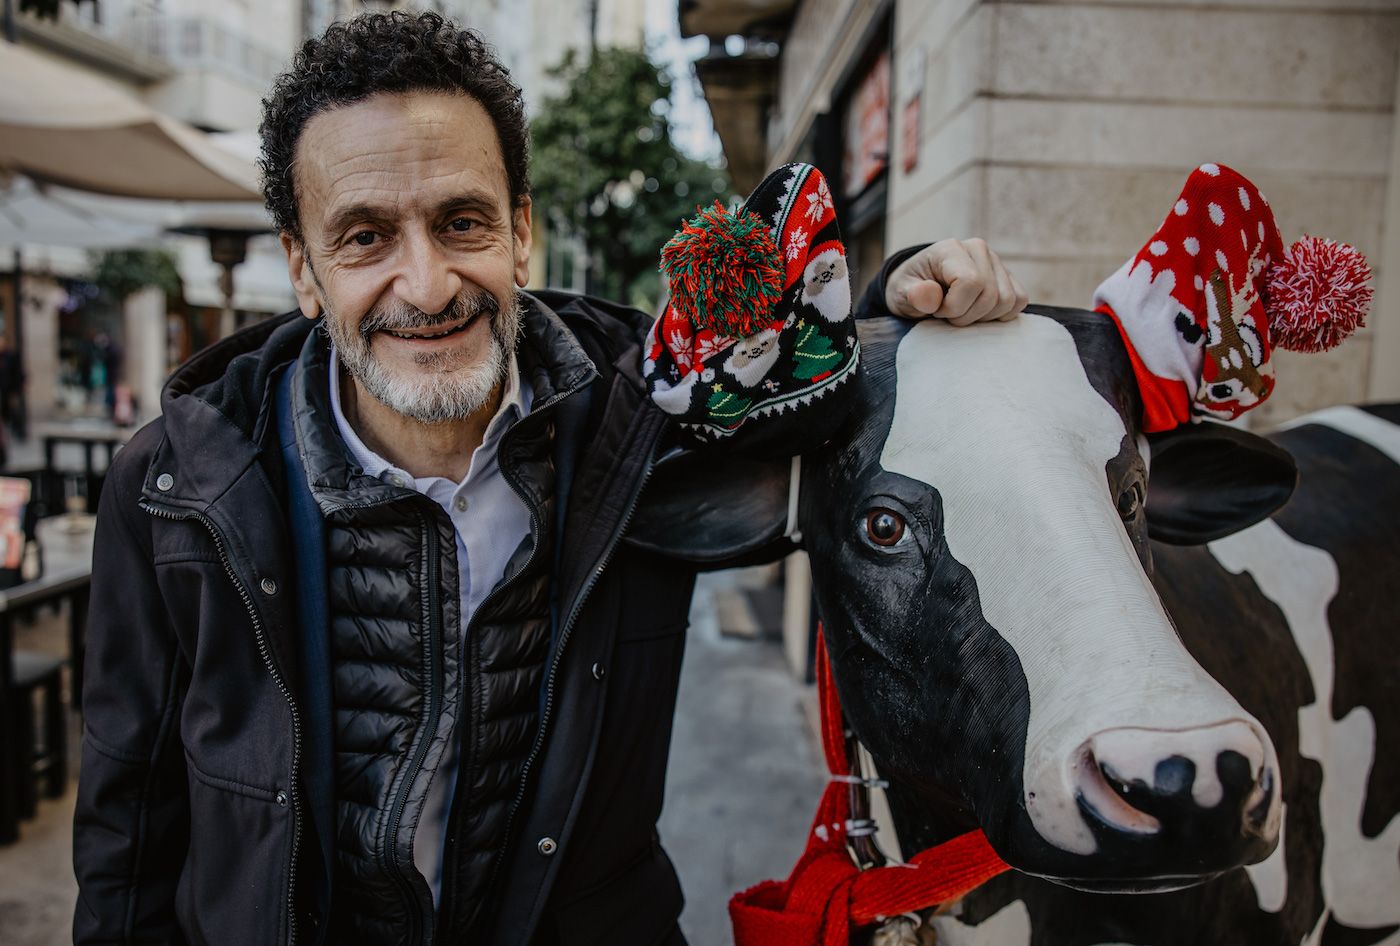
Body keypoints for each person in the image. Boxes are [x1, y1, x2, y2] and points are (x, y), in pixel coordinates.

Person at [72, 11, 1027, 946]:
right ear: (305, 269)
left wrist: (913, 302)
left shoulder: (652, 413)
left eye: (461, 222)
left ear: (520, 230)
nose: (428, 283)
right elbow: (131, 829)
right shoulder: (173, 486)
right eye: (364, 237)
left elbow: (836, 409)